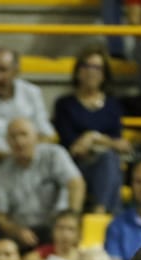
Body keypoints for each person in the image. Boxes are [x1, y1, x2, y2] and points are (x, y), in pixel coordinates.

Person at [53, 45, 130, 214]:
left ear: (104, 74)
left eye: (97, 68)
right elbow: (73, 147)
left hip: (106, 161)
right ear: (78, 71)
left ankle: (100, 210)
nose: (91, 72)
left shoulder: (112, 105)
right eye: (86, 66)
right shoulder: (65, 104)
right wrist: (103, 142)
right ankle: (104, 216)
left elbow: (121, 144)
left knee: (110, 161)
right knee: (112, 166)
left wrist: (92, 137)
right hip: (75, 165)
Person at [0, 118, 85, 251]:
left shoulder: (54, 154)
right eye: (13, 136)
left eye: (23, 134)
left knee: (65, 233)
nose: (19, 141)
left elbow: (75, 183)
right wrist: (18, 231)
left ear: (37, 137)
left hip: (55, 225)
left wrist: (72, 219)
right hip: (23, 231)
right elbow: (0, 217)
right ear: (7, 142)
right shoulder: (0, 172)